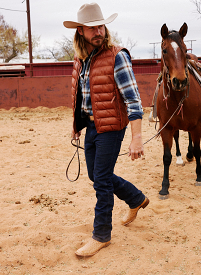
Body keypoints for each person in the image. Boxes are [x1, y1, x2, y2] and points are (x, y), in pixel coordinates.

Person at [63, 2, 149, 257]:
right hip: (91, 125)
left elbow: (133, 99)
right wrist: (76, 125)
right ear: (81, 31)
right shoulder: (81, 60)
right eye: (91, 27)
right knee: (97, 175)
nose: (98, 31)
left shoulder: (117, 55)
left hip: (112, 126)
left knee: (101, 180)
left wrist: (137, 138)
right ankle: (136, 199)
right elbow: (81, 96)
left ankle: (101, 235)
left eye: (100, 25)